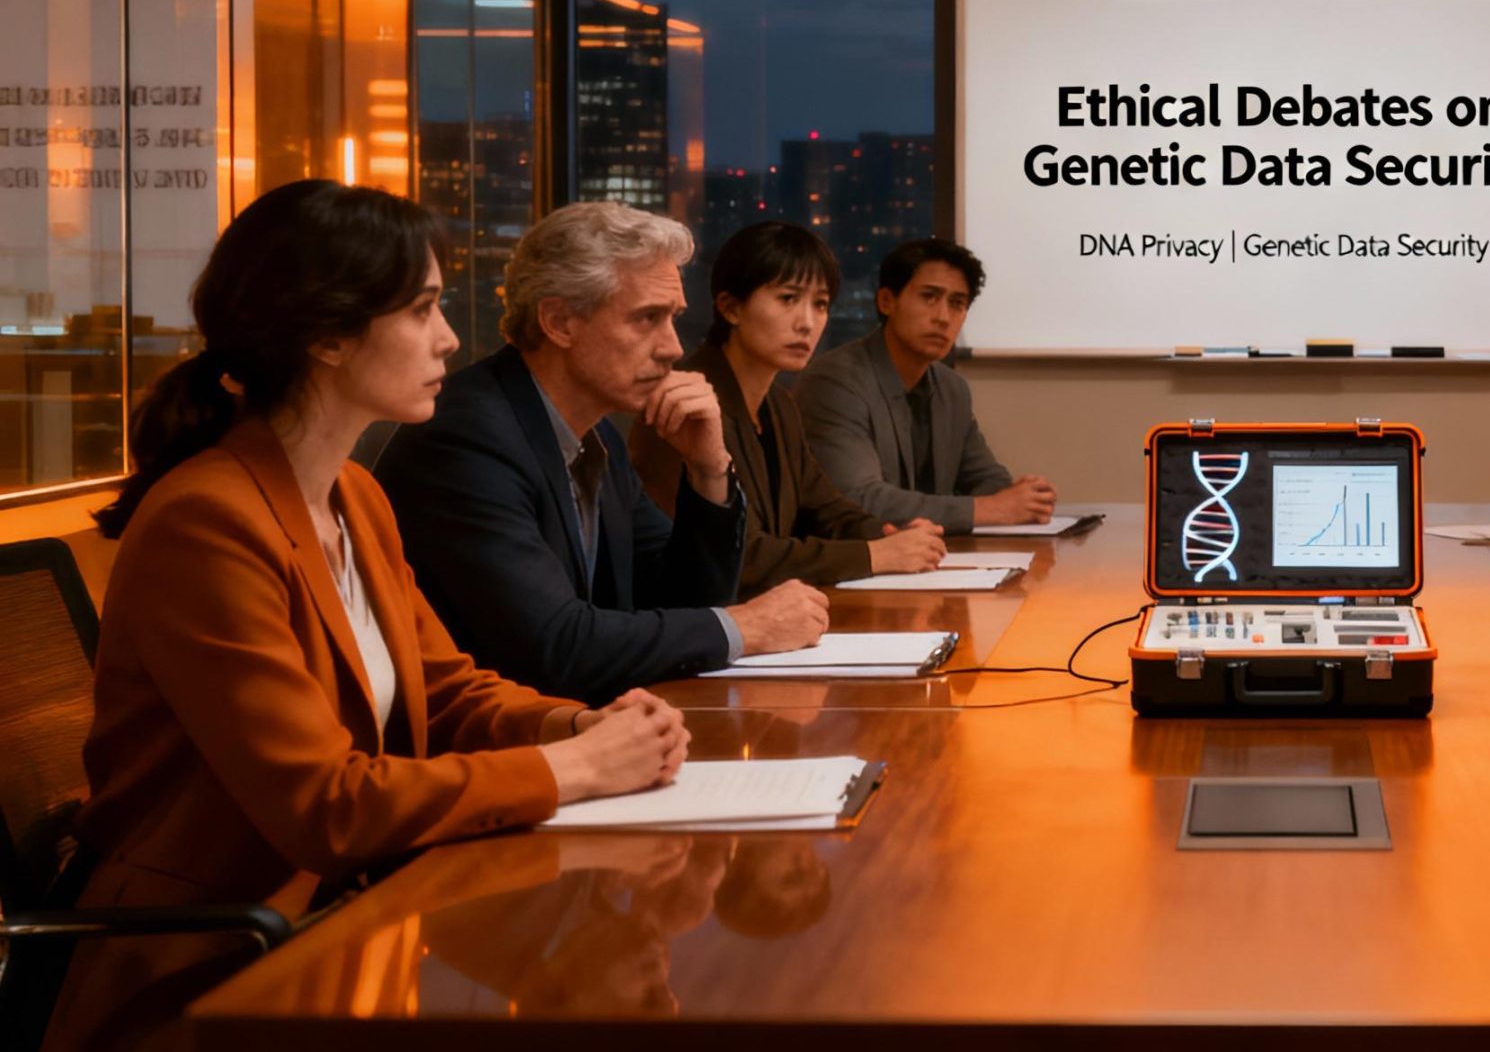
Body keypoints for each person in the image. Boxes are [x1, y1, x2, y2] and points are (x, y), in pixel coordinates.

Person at [49, 181, 689, 1052]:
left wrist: (577, 721)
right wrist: (573, 768)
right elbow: (326, 806)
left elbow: (447, 691)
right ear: (326, 335)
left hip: (357, 924)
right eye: (423, 308)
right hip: (214, 965)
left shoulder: (354, 493)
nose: (451, 337)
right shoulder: (208, 520)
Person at [375, 202, 828, 703]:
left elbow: (682, 600)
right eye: (647, 319)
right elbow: (556, 647)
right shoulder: (466, 437)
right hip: (494, 752)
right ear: (559, 321)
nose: (673, 347)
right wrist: (747, 625)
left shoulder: (598, 434)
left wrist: (708, 470)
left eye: (673, 318)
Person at [630, 221, 947, 588]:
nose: (808, 323)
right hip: (702, 620)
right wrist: (874, 555)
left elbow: (824, 506)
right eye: (788, 299)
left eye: (821, 304)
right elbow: (736, 554)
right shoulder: (688, 402)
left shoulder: (778, 402)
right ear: (731, 308)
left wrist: (889, 533)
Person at [796, 237, 1055, 533]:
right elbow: (857, 498)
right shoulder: (835, 381)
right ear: (886, 301)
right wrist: (988, 509)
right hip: (851, 565)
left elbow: (986, 480)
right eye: (929, 297)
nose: (943, 317)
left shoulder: (951, 388)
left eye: (957, 303)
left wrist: (1025, 497)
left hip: (928, 559)